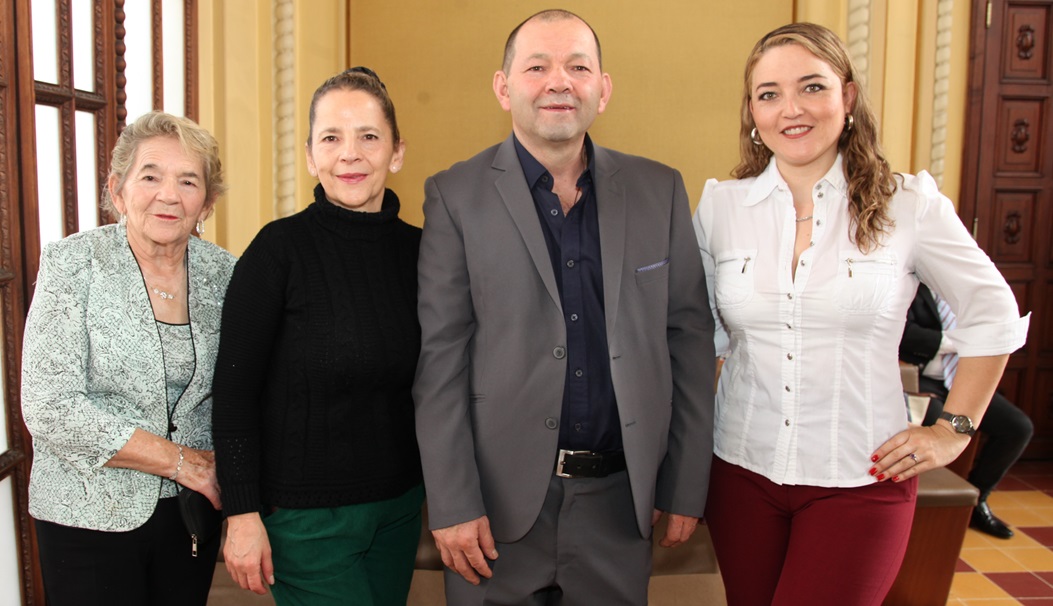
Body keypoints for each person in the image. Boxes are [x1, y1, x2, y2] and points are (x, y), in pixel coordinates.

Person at [694, 22, 1030, 605]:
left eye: (812, 87)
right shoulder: (722, 207)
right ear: (751, 110)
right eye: (769, 93)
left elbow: (994, 312)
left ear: (847, 97)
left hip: (861, 479)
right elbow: (699, 339)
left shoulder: (909, 205)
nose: (790, 109)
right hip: (740, 474)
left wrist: (953, 432)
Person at [413, 9, 715, 605]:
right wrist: (452, 501)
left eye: (578, 66)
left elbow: (688, 340)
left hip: (621, 507)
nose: (559, 81)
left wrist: (684, 485)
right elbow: (440, 360)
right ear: (504, 87)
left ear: (603, 88)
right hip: (494, 513)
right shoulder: (454, 195)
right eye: (537, 66)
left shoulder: (662, 191)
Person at [212, 67, 423, 605]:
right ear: (310, 155)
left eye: (368, 137)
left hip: (399, 507)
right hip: (306, 520)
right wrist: (242, 513)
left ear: (396, 152)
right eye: (331, 138)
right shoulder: (277, 253)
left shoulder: (426, 253)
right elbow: (234, 396)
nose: (349, 154)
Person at [21, 111, 235, 606]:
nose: (169, 194)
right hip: (87, 511)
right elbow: (50, 404)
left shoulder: (226, 273)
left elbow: (242, 386)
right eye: (151, 176)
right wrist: (181, 463)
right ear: (117, 189)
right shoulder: (73, 263)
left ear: (207, 200)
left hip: (190, 516)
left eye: (188, 180)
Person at [900, 283, 1033, 538]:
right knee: (933, 422)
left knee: (1018, 427)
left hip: (961, 379)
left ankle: (976, 499)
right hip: (919, 377)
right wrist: (956, 342)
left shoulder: (972, 289)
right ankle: (922, 515)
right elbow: (906, 333)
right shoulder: (909, 280)